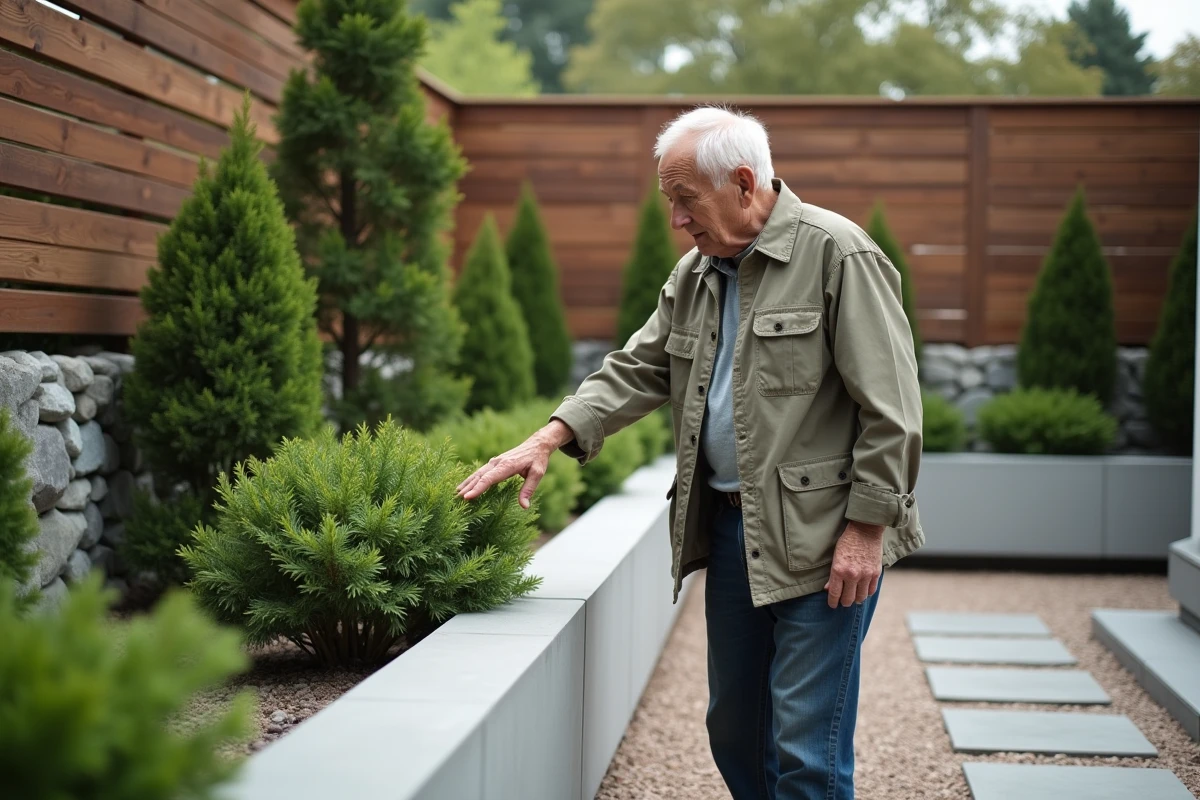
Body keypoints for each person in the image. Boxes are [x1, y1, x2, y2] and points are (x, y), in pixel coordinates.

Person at [456, 105, 924, 800]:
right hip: (735, 532)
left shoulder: (838, 253)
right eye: (669, 200)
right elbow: (639, 368)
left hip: (826, 538)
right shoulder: (697, 274)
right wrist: (548, 435)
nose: (676, 219)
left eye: (684, 199)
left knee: (806, 747)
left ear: (742, 182)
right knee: (734, 729)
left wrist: (866, 529)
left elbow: (892, 408)